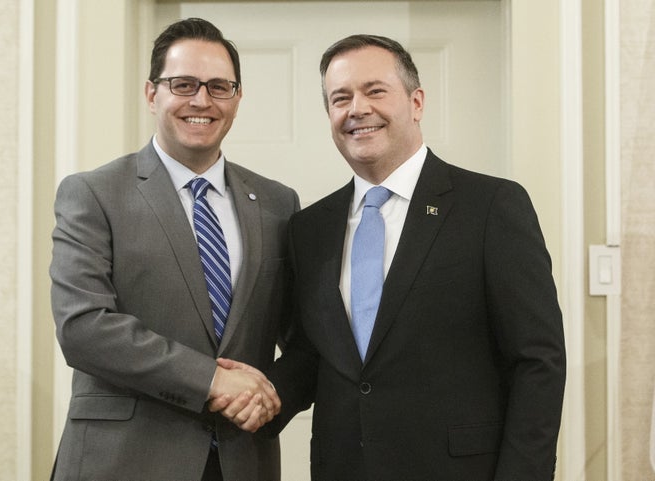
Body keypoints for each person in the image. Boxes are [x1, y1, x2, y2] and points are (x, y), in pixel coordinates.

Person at [215, 34, 566, 480]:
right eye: (340, 98)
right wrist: (259, 396)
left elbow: (538, 361)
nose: (357, 108)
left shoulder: (492, 206)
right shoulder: (311, 227)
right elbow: (315, 355)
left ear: (416, 102)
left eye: (374, 91)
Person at [49, 18, 298, 481]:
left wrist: (268, 394)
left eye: (219, 87)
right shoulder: (93, 193)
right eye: (183, 84)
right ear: (151, 94)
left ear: (237, 99)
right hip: (124, 459)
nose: (201, 100)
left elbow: (301, 333)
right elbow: (82, 327)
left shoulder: (278, 203)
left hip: (242, 459)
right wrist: (213, 379)